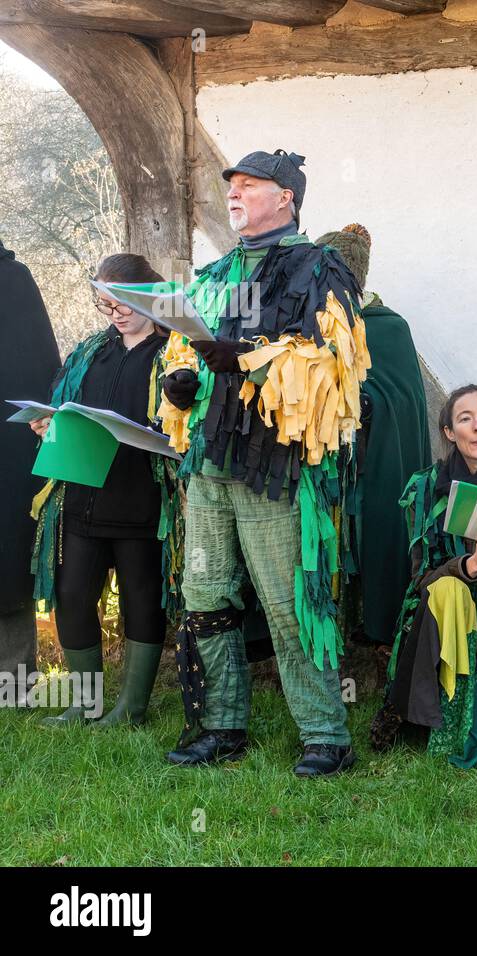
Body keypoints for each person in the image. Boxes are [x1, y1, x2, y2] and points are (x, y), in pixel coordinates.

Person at [157, 149, 370, 776]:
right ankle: (220, 725)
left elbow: (335, 361)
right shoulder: (215, 272)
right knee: (203, 594)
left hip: (275, 464)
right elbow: (182, 341)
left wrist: (248, 357)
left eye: (251, 184)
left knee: (286, 599)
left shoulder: (320, 267)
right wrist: (180, 378)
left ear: (287, 197)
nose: (236, 192)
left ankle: (326, 735)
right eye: (233, 185)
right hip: (208, 464)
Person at [30, 254, 182, 727]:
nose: (114, 313)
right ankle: (86, 702)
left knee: (142, 596)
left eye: (121, 302)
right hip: (82, 498)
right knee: (73, 595)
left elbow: (186, 425)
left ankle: (131, 707)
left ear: (149, 295)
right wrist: (47, 424)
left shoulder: (175, 354)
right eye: (104, 303)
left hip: (141, 500)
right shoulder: (90, 351)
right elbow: (63, 407)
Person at [369, 385, 477, 768]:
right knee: (448, 588)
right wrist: (467, 567)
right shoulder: (423, 488)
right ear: (450, 432)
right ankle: (446, 718)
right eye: (466, 419)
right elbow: (420, 580)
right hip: (446, 610)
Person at [314, 223, 432, 647]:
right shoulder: (312, 326)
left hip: (374, 461)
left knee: (375, 537)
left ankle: (381, 636)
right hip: (324, 464)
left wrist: (365, 402)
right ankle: (331, 638)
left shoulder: (388, 328)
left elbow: (402, 402)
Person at [0, 239, 59, 709]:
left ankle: (14, 685)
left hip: (8, 452)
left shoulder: (12, 282)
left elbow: (36, 368)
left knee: (6, 564)